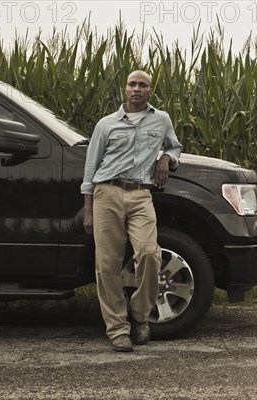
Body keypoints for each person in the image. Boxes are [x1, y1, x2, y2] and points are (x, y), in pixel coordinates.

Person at [81, 70, 182, 352]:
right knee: (106, 265)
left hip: (141, 194)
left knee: (150, 253)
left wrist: (165, 157)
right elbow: (90, 170)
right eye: (132, 84)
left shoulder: (161, 120)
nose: (137, 89)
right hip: (107, 193)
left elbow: (176, 147)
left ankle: (139, 314)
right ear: (125, 89)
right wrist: (88, 210)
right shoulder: (106, 125)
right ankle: (117, 330)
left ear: (150, 91)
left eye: (143, 85)